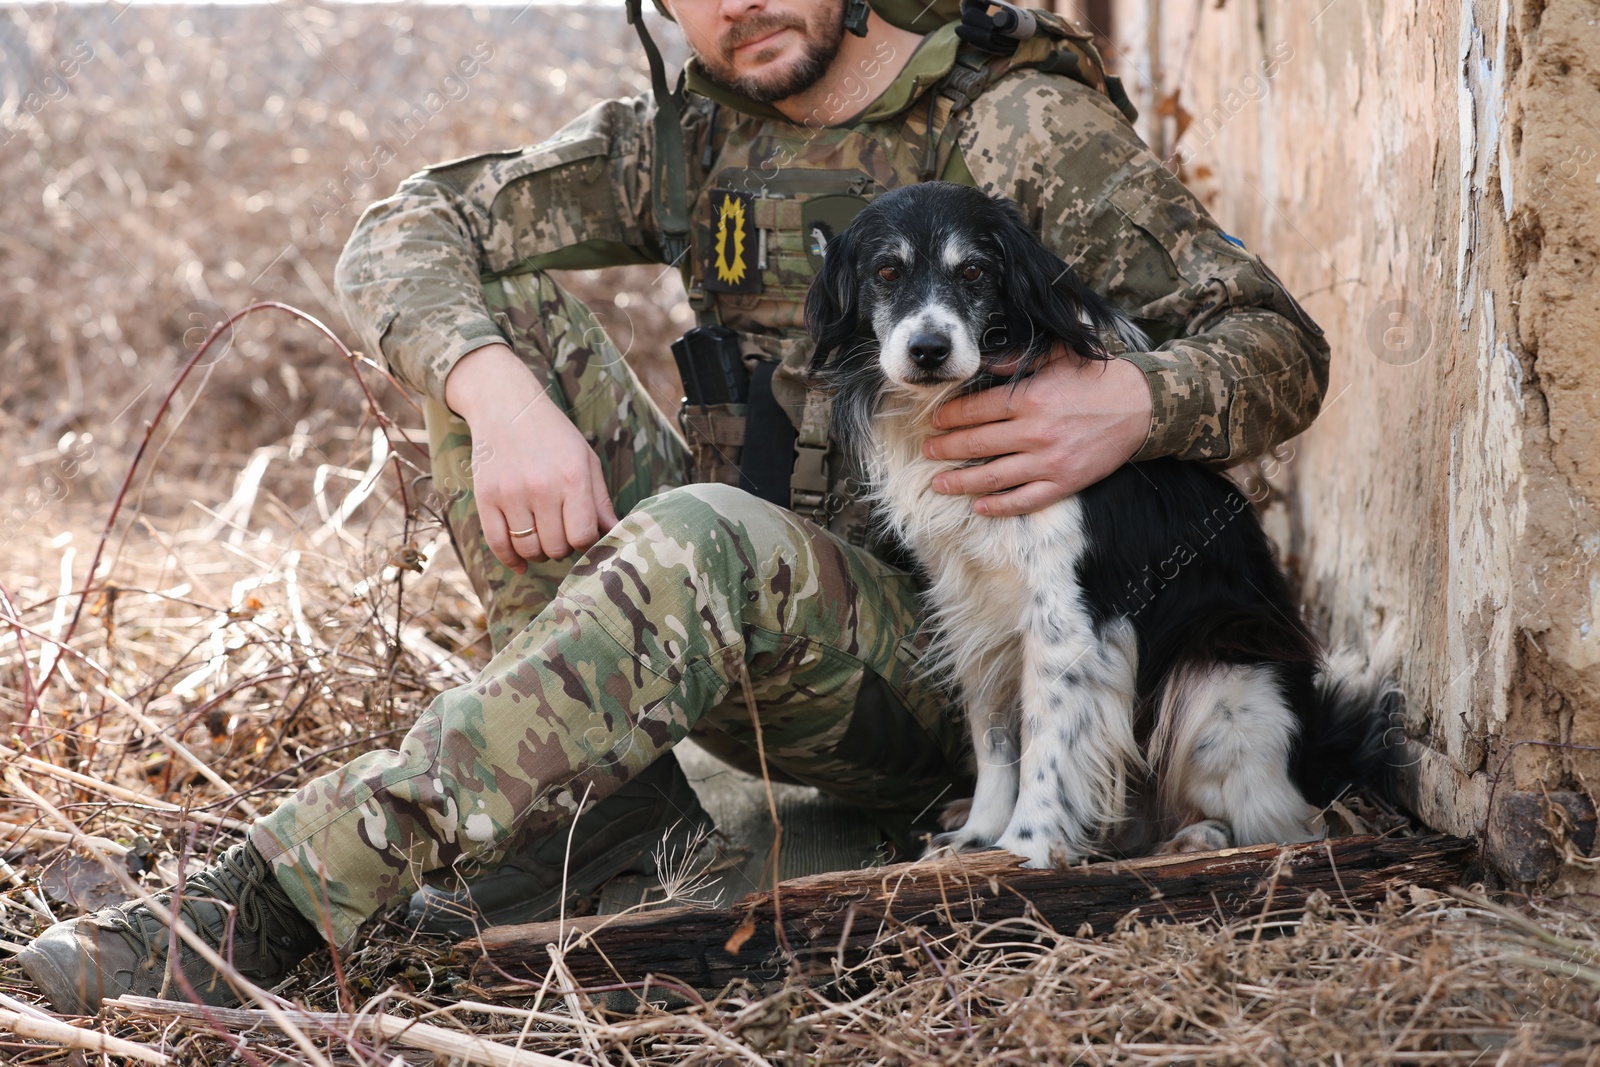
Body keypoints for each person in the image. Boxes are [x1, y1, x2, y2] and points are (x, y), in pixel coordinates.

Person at [19, 0, 1329, 1013]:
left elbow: (1273, 341)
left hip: (986, 665)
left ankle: (269, 905)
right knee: (505, 328)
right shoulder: (693, 135)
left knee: (708, 541)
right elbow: (407, 226)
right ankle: (587, 829)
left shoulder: (1013, 126)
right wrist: (499, 395)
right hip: (776, 611)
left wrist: (1132, 405)